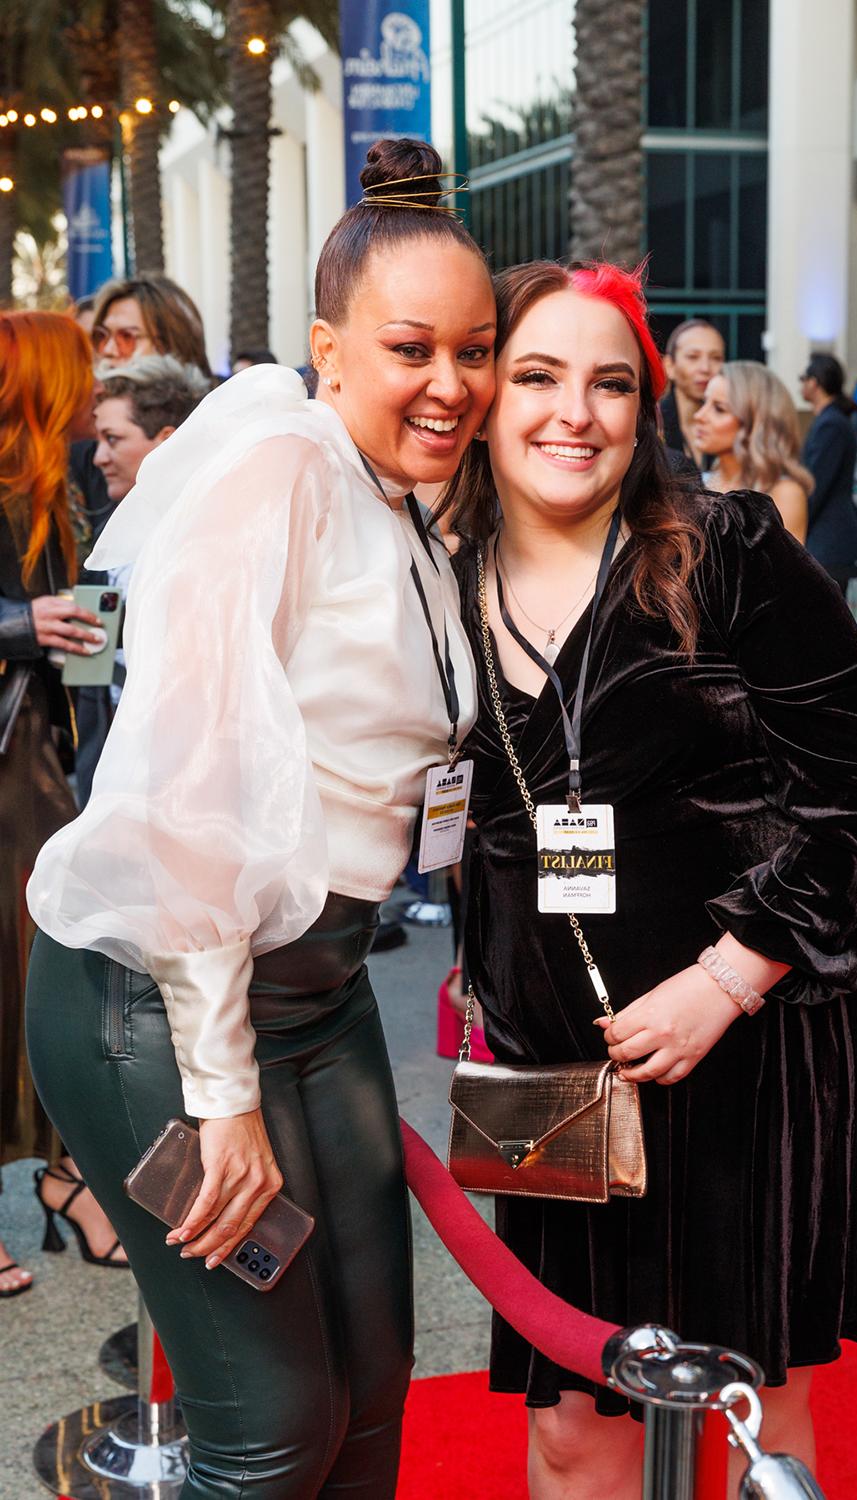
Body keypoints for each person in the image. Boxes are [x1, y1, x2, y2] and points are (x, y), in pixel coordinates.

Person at [26, 138, 494, 1495]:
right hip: (160, 1011)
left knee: (370, 1396)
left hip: (321, 995)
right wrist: (216, 1096)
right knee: (272, 1428)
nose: (451, 382)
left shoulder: (397, 498)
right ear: (328, 347)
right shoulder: (276, 466)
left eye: (474, 348)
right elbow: (190, 799)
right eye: (414, 347)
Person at [445, 261, 857, 1499]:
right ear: (487, 398)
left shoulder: (725, 548)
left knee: (753, 1408)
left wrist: (727, 978)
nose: (571, 412)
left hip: (752, 1058)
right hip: (560, 1079)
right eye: (537, 376)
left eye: (610, 383)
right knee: (572, 1429)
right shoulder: (433, 580)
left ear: (646, 405)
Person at [0, 312, 128, 1299]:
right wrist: (16, 624)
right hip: (12, 767)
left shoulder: (59, 489)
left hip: (43, 763)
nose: (98, 391)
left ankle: (67, 1176)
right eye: (80, 373)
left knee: (57, 975)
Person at [72, 277, 215, 806]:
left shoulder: (227, 464)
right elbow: (96, 606)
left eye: (128, 337)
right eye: (103, 336)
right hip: (111, 735)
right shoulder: (91, 460)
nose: (109, 350)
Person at [694, 360, 810, 542]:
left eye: (719, 409)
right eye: (704, 402)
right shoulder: (698, 481)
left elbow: (788, 569)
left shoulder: (784, 493)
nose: (699, 416)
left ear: (755, 422)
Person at [800, 353, 857, 570]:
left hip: (829, 540)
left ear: (814, 383)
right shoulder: (831, 420)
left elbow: (816, 484)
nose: (801, 385)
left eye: (803, 378)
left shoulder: (831, 424)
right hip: (827, 538)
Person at [659, 317, 725, 465]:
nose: (705, 368)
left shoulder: (732, 428)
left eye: (716, 358)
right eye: (693, 357)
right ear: (670, 366)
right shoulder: (652, 425)